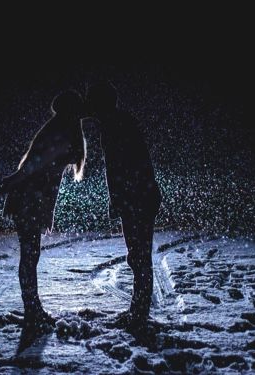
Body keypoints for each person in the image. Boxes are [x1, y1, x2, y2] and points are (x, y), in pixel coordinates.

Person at [0, 90, 86, 348]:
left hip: (32, 197)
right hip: (30, 198)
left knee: (30, 254)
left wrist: (16, 181)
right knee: (30, 254)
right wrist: (14, 181)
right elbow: (36, 163)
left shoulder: (61, 128)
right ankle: (32, 312)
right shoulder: (61, 130)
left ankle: (32, 310)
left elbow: (36, 163)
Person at [86, 82, 161, 329]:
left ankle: (139, 316)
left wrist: (121, 201)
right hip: (139, 197)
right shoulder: (118, 122)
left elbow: (123, 167)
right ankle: (138, 312)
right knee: (139, 256)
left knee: (139, 257)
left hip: (137, 198)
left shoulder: (114, 126)